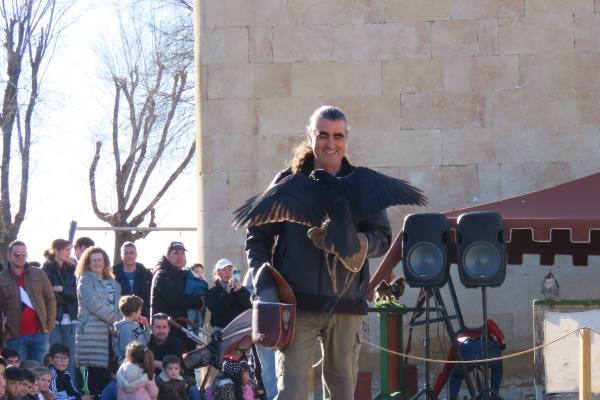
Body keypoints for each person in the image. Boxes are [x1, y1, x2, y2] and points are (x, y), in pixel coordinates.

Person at [245, 106, 392, 399]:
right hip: (296, 307)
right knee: (291, 394)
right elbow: (256, 237)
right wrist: (265, 288)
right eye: (323, 135)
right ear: (311, 136)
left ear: (346, 139)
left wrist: (357, 243)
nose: (330, 143)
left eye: (338, 136)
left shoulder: (363, 185)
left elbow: (383, 238)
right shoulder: (289, 182)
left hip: (347, 306)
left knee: (341, 396)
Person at [75, 247, 121, 398]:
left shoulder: (112, 282)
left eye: (99, 260)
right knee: (93, 380)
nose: (96, 263)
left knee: (107, 377)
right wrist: (116, 321)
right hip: (91, 336)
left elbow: (118, 305)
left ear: (104, 261)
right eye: (93, 260)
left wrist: (120, 323)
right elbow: (93, 304)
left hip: (110, 336)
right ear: (87, 263)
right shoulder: (85, 280)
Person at [0, 240, 56, 363]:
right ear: (8, 255)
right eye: (17, 254)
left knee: (39, 375)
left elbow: (50, 299)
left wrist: (49, 326)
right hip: (15, 338)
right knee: (19, 377)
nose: (21, 257)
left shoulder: (39, 273)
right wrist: (4, 333)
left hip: (40, 335)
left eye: (24, 254)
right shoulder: (1, 278)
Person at [433, 320, 505, 399]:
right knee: (497, 368)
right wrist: (501, 340)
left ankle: (453, 397)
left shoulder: (456, 342)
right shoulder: (480, 330)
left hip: (465, 352)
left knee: (456, 376)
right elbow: (489, 323)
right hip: (488, 349)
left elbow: (445, 372)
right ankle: (494, 395)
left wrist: (434, 395)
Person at [150, 242, 203, 348]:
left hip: (181, 329)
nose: (180, 257)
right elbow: (177, 300)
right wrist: (199, 302)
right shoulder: (163, 274)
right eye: (176, 253)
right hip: (167, 331)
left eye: (182, 253)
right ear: (167, 255)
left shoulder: (180, 273)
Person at [42, 239, 78, 377]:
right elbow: (48, 294)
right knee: (51, 357)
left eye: (70, 249)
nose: (69, 253)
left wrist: (62, 289)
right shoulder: (46, 268)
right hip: (53, 319)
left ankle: (70, 392)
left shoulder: (73, 269)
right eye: (66, 250)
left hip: (71, 319)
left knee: (69, 358)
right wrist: (66, 293)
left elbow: (77, 293)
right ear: (56, 251)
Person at [205, 259, 251, 330]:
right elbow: (217, 310)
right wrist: (227, 292)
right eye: (224, 270)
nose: (227, 272)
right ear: (217, 272)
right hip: (222, 329)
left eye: (230, 270)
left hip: (240, 328)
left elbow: (248, 307)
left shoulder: (241, 289)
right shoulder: (212, 291)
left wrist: (242, 291)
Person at [111, 243, 152, 319]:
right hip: (121, 318)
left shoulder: (147, 275)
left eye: (131, 253)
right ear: (121, 256)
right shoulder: (112, 275)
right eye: (126, 253)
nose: (129, 256)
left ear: (136, 255)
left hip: (143, 317)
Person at [114, 295, 151, 364]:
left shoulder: (135, 325)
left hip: (139, 363)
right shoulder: (125, 328)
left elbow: (146, 340)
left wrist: (146, 327)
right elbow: (128, 350)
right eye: (140, 310)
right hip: (130, 365)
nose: (141, 312)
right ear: (134, 314)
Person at [183, 263, 208, 334]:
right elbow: (188, 291)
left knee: (199, 318)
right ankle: (189, 329)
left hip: (200, 304)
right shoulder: (191, 280)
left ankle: (197, 331)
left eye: (201, 272)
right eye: (197, 272)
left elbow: (205, 289)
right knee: (191, 316)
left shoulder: (201, 281)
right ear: (192, 272)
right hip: (192, 303)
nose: (200, 273)